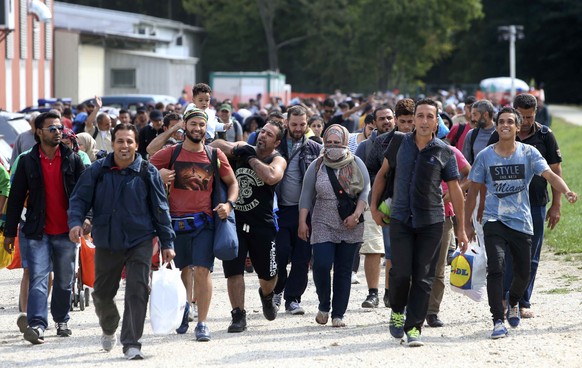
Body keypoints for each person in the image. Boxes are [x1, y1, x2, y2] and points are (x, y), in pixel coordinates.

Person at [464, 106, 578, 339]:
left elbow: (550, 175)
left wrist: (566, 192)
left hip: (521, 221)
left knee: (523, 272)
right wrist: (466, 224)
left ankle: (514, 300)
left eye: (510, 122)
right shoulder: (485, 156)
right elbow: (473, 190)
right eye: (501, 122)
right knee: (495, 267)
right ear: (496, 127)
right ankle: (497, 319)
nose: (505, 125)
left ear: (517, 127)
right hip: (493, 220)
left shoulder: (528, 153)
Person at [67, 123, 175, 359]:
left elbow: (160, 208)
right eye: (120, 141)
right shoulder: (98, 170)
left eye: (129, 141)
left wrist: (167, 243)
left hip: (140, 240)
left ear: (137, 145)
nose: (124, 146)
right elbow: (79, 199)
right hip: (107, 240)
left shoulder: (148, 171)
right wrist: (76, 222)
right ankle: (109, 325)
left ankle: (131, 342)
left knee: (138, 289)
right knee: (103, 293)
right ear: (112, 143)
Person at [370, 98, 468, 347]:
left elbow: (455, 190)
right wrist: (374, 207)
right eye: (420, 116)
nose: (424, 121)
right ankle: (397, 311)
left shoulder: (444, 151)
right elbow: (383, 175)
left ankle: (414, 327)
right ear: (413, 119)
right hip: (401, 218)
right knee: (401, 273)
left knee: (424, 277)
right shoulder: (399, 143)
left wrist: (461, 229)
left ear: (437, 121)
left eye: (429, 116)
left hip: (432, 221)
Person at [150, 108, 239, 341]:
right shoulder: (172, 152)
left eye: (201, 125)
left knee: (202, 270)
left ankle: (202, 323)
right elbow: (148, 159)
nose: (197, 128)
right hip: (175, 223)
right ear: (186, 127)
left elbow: (233, 183)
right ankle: (185, 307)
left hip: (204, 223)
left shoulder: (214, 155)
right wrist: (159, 173)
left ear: (206, 128)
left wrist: (229, 205)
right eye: (193, 124)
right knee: (182, 271)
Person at [4, 112, 86, 345]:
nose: (58, 132)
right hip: (36, 231)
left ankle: (61, 319)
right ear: (38, 132)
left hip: (66, 232)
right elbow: (17, 197)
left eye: (60, 128)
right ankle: (37, 325)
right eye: (52, 128)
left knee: (63, 279)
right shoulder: (27, 160)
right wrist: (10, 232)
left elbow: (85, 193)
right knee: (39, 277)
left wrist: (85, 220)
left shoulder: (73, 159)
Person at [487, 93, 563, 319]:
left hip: (535, 203)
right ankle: (505, 297)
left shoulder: (545, 135)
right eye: (521, 116)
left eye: (530, 117)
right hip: (505, 206)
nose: (526, 121)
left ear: (535, 114)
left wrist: (556, 204)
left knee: (531, 254)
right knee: (506, 253)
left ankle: (523, 300)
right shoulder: (499, 134)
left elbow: (555, 170)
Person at [211, 120, 287, 331]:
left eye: (269, 134)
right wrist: (237, 148)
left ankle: (267, 295)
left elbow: (271, 177)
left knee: (268, 275)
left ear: (277, 141)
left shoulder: (278, 159)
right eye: (262, 131)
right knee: (233, 270)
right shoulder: (244, 149)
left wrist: (251, 158)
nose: (263, 135)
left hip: (262, 225)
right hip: (236, 221)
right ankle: (238, 315)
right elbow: (215, 144)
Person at [299, 124, 370, 327]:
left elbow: (366, 191)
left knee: (343, 269)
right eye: (328, 142)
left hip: (350, 222)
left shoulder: (356, 163)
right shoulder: (317, 165)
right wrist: (302, 221)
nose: (332, 146)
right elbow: (306, 195)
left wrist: (356, 215)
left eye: (336, 143)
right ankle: (324, 304)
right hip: (322, 219)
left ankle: (338, 313)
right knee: (321, 264)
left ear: (345, 143)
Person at [270, 105, 321, 314]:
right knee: (280, 254)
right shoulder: (275, 146)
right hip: (279, 211)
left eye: (302, 124)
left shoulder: (315, 148)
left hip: (305, 212)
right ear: (286, 123)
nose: (298, 128)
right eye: (294, 124)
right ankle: (277, 290)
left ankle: (293, 299)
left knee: (302, 258)